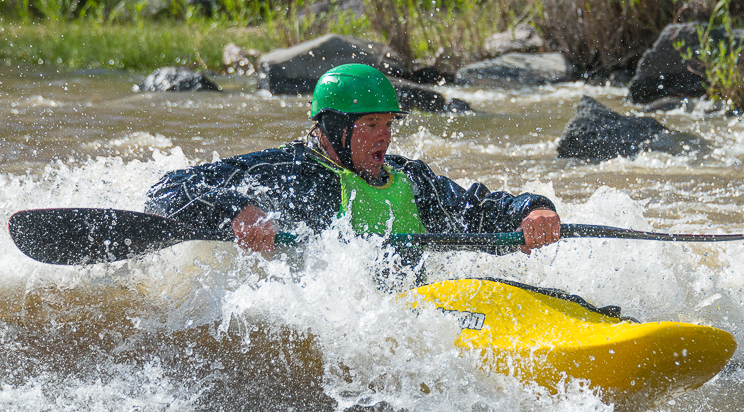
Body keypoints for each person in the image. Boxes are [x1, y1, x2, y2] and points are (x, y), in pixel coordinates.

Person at [145, 64, 560, 267]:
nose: (384, 136)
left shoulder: (411, 179)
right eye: (370, 125)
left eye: (388, 124)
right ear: (333, 127)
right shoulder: (287, 172)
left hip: (410, 315)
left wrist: (531, 211)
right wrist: (236, 210)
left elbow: (478, 210)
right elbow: (167, 190)